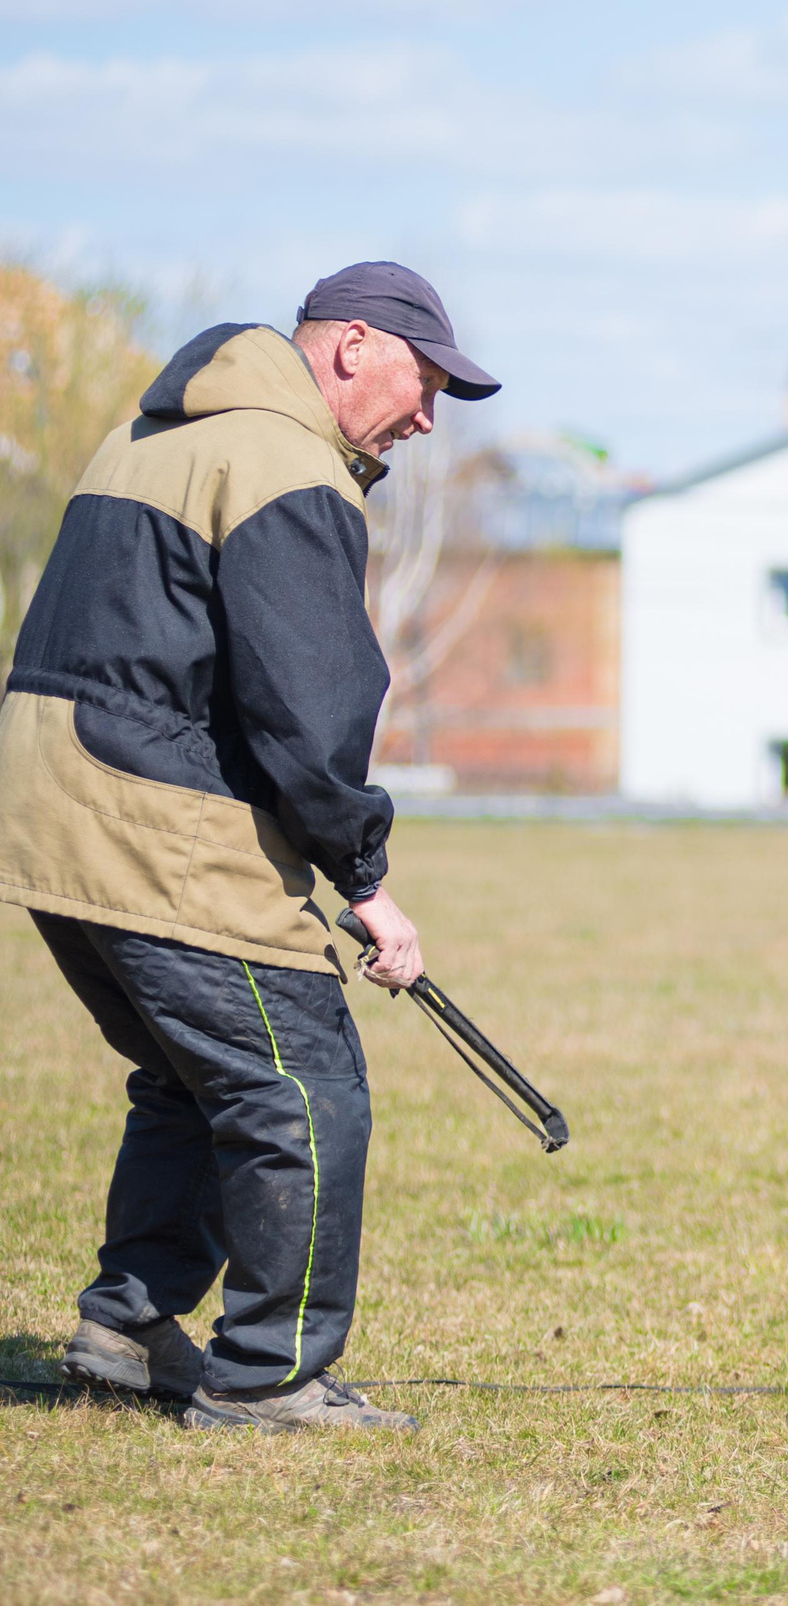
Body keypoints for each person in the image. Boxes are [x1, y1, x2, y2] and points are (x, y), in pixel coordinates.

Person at [0, 262, 500, 1432]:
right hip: (146, 809)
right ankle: (270, 1376)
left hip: (48, 802)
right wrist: (366, 880)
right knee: (303, 1085)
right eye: (423, 382)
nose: (427, 416)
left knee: (194, 1075)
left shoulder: (152, 434)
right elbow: (309, 700)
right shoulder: (284, 462)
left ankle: (128, 1325)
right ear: (351, 348)